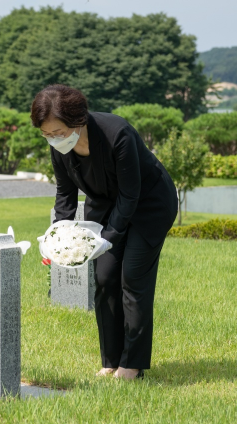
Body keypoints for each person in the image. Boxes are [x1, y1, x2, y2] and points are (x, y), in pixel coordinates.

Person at [31, 84, 179, 380]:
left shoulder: (117, 133)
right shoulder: (59, 148)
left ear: (78, 120)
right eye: (46, 134)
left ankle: (132, 364)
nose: (53, 139)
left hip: (148, 205)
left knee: (133, 278)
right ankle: (110, 360)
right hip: (106, 207)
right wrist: (57, 235)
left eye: (58, 132)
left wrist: (109, 239)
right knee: (105, 278)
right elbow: (65, 194)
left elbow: (130, 194)